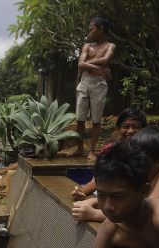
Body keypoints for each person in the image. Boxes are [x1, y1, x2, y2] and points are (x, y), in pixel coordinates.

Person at [72, 127, 159, 222]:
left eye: (142, 162)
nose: (136, 166)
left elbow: (146, 213)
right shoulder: (145, 172)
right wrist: (95, 201)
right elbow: (131, 202)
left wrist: (94, 214)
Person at [72, 16, 116, 161]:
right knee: (80, 118)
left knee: (96, 120)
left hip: (99, 83)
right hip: (85, 82)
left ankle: (91, 151)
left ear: (100, 29)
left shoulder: (110, 46)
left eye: (91, 29)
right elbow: (80, 65)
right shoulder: (87, 46)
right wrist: (97, 67)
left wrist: (86, 63)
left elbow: (105, 60)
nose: (89, 33)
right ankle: (79, 148)